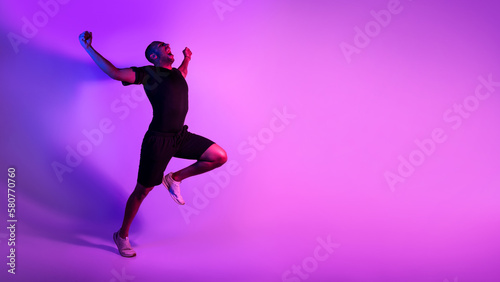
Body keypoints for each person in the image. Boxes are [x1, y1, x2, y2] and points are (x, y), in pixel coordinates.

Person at [79, 31, 227, 257]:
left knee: (219, 156)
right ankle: (122, 236)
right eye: (161, 45)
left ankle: (174, 178)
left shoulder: (177, 74)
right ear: (153, 56)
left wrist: (187, 58)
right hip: (157, 140)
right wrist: (88, 47)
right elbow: (115, 72)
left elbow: (183, 72)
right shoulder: (149, 73)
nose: (168, 44)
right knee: (142, 191)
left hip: (180, 136)